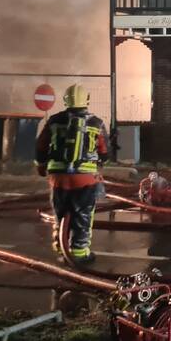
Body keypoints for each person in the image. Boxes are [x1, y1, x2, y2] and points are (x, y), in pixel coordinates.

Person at [35, 84, 108, 264]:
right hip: (84, 179)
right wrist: (99, 163)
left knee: (60, 213)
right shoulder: (96, 123)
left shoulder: (53, 120)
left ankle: (61, 247)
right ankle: (80, 253)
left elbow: (41, 147)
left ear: (65, 100)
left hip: (58, 178)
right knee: (83, 216)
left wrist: (41, 165)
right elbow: (104, 151)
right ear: (87, 100)